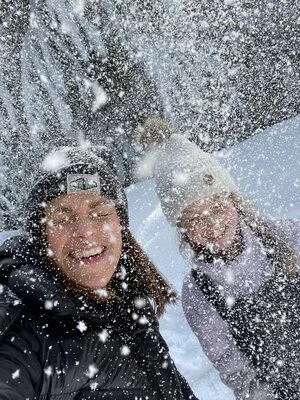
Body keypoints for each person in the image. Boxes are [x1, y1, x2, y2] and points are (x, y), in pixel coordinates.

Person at [0, 145, 198, 400]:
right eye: (62, 218)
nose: (85, 231)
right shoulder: (24, 333)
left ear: (120, 224)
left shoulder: (128, 301)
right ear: (42, 236)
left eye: (100, 212)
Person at [134, 119, 300, 400]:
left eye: (217, 207)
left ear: (233, 201)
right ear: (182, 228)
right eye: (195, 218)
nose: (211, 224)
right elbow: (230, 363)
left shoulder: (291, 237)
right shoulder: (199, 294)